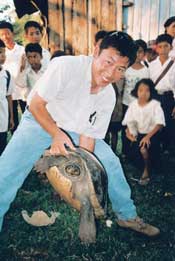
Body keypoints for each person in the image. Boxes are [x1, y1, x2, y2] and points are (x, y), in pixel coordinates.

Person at [0, 31, 160, 236]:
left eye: (120, 68)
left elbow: (88, 138)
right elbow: (36, 105)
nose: (111, 73)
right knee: (6, 173)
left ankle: (127, 216)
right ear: (96, 51)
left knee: (109, 162)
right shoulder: (65, 66)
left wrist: (82, 178)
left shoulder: (108, 96)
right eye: (108, 61)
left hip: (75, 129)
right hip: (40, 120)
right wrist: (56, 134)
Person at [122, 79, 165, 185]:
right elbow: (128, 122)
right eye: (141, 90)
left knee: (143, 148)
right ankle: (145, 164)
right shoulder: (133, 105)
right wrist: (129, 133)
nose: (144, 93)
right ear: (136, 91)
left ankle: (146, 170)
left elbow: (159, 123)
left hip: (152, 134)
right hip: (139, 134)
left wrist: (148, 137)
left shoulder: (155, 104)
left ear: (151, 92)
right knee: (134, 152)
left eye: (147, 90)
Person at [122, 39, 149, 157]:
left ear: (144, 54)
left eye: (140, 52)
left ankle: (136, 153)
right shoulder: (126, 68)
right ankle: (125, 151)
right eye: (135, 52)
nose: (138, 55)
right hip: (126, 103)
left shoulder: (146, 71)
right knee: (126, 128)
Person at [149, 34, 175, 152]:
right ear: (156, 48)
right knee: (155, 123)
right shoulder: (152, 65)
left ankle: (168, 149)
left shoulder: (174, 65)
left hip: (169, 97)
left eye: (166, 46)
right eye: (160, 46)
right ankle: (156, 150)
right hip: (155, 97)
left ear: (171, 47)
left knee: (169, 124)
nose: (163, 49)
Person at [0, 21, 25, 133]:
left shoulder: (22, 50)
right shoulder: (1, 52)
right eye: (1, 35)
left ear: (13, 33)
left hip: (23, 91)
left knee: (26, 119)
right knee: (12, 121)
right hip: (9, 93)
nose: (5, 37)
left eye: (7, 33)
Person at [0, 39, 14, 155]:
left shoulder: (7, 75)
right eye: (0, 52)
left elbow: (9, 97)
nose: (3, 56)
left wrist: (11, 118)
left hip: (2, 120)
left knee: (2, 148)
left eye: (4, 52)